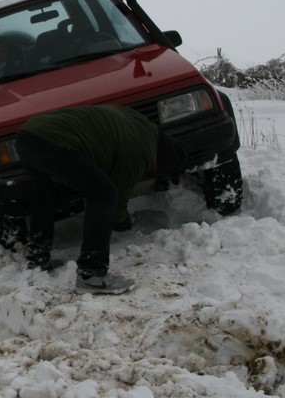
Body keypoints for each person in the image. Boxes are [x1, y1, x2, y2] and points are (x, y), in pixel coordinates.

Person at [14, 104, 188, 295]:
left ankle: (38, 258)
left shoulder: (142, 125)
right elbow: (119, 192)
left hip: (28, 134)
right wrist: (123, 223)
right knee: (103, 194)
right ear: (160, 161)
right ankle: (91, 274)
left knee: (44, 194)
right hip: (55, 141)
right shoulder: (141, 152)